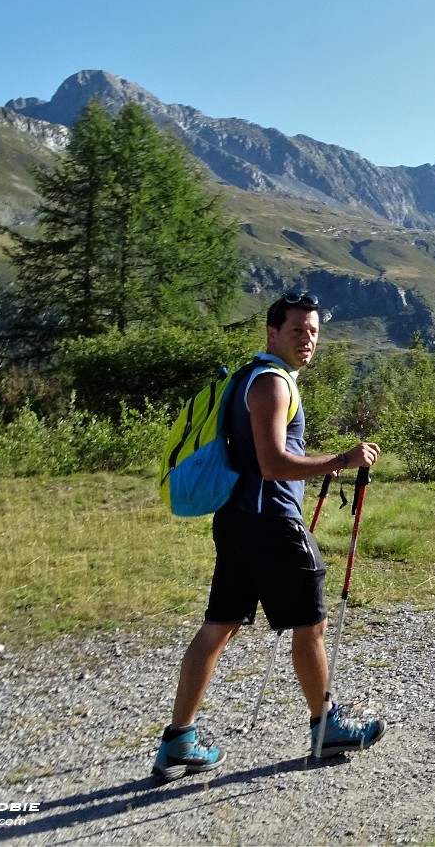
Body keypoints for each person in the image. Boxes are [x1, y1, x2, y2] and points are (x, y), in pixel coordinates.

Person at [153, 292, 384, 782]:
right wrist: (341, 460)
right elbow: (274, 463)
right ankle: (327, 728)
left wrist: (322, 464)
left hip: (238, 521)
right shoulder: (272, 385)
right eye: (298, 331)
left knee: (219, 626)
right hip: (271, 522)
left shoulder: (251, 377)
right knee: (312, 624)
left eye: (314, 331)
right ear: (272, 333)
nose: (307, 340)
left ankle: (178, 741)